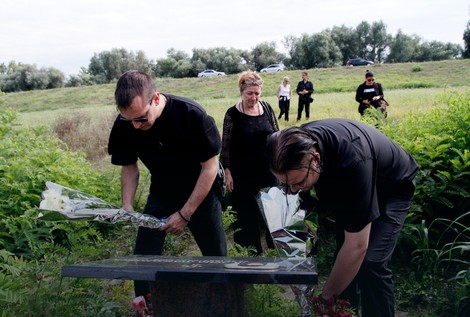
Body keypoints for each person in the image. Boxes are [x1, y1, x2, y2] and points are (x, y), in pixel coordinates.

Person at [266, 118, 418, 317]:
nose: (292, 191)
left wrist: (325, 299)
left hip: (392, 187)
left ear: (315, 159)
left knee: (370, 262)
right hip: (348, 184)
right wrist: (294, 269)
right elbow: (292, 223)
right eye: (285, 184)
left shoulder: (352, 162)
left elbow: (357, 246)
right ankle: (344, 311)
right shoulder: (290, 148)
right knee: (344, 260)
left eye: (298, 183)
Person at [108, 70, 227, 296]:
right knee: (142, 258)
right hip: (161, 192)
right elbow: (129, 166)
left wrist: (184, 214)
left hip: (200, 191)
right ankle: (144, 306)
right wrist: (127, 205)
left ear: (155, 98)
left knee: (216, 257)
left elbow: (209, 167)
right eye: (129, 119)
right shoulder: (125, 124)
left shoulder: (192, 115)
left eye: (141, 118)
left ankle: (225, 303)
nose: (135, 125)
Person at [220, 70, 279, 255]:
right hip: (243, 175)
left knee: (275, 214)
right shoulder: (232, 114)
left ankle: (277, 251)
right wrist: (227, 172)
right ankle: (251, 257)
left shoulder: (267, 108)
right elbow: (226, 146)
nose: (253, 97)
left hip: (269, 172)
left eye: (257, 93)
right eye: (249, 93)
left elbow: (277, 137)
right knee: (247, 217)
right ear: (241, 91)